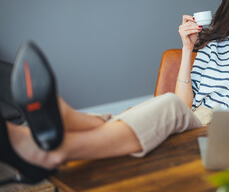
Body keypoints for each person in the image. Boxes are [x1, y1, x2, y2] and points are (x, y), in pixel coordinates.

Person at [0, 41, 203, 184]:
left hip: (220, 125)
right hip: (195, 115)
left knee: (170, 104)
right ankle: (38, 133)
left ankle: (56, 143)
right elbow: (186, 103)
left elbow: (180, 105)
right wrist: (187, 48)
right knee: (135, 112)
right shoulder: (212, 52)